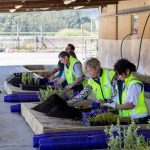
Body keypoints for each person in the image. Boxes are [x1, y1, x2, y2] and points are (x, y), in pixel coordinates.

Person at [103, 58, 148, 123]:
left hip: (138, 118)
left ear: (127, 71)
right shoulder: (122, 82)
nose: (118, 76)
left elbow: (130, 105)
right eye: (117, 74)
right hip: (128, 118)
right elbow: (118, 99)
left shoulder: (134, 84)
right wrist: (108, 103)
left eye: (120, 74)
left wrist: (115, 106)